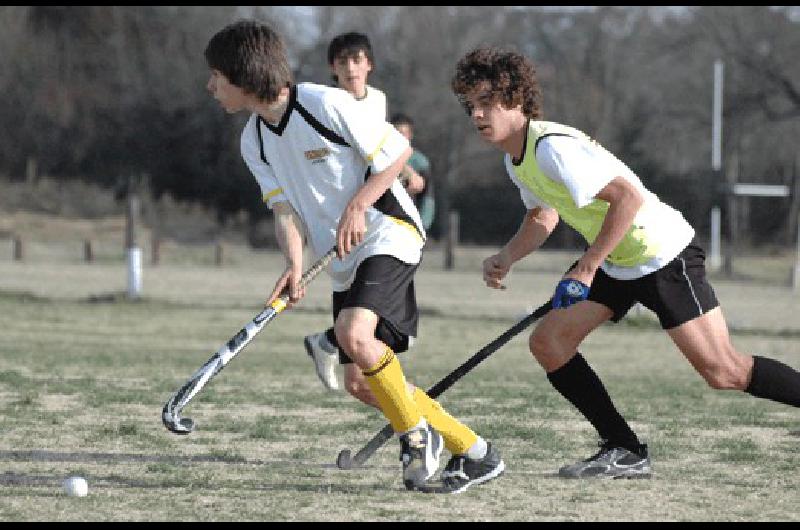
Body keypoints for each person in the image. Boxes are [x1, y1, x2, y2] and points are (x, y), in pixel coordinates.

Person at [450, 46, 800, 479]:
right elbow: (544, 214)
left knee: (724, 371)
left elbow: (628, 198)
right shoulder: (516, 161)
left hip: (662, 253)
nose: (477, 115)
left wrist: (587, 265)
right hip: (616, 260)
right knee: (549, 343)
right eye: (471, 105)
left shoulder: (552, 149)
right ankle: (625, 449)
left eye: (487, 102)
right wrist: (506, 257)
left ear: (516, 100)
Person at [204, 20, 504, 493]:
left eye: (216, 75)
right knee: (362, 383)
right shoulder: (254, 141)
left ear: (242, 75)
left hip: (390, 232)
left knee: (352, 333)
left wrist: (360, 204)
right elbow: (285, 211)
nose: (211, 86)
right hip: (342, 259)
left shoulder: (325, 103)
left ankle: (416, 437)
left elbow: (397, 154)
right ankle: (476, 451)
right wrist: (295, 266)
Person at [303, 32, 427, 392]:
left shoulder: (377, 100)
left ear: (369, 64)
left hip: (381, 222)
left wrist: (406, 173)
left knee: (371, 331)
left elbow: (382, 145)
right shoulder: (329, 104)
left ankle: (417, 423)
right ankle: (332, 340)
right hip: (346, 224)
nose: (351, 68)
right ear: (333, 69)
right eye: (343, 62)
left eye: (357, 60)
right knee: (357, 379)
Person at [391, 112, 436, 233]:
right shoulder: (381, 159)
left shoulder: (420, 162)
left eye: (403, 133)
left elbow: (428, 196)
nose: (399, 137)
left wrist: (422, 224)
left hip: (411, 224)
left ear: (410, 135)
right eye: (395, 133)